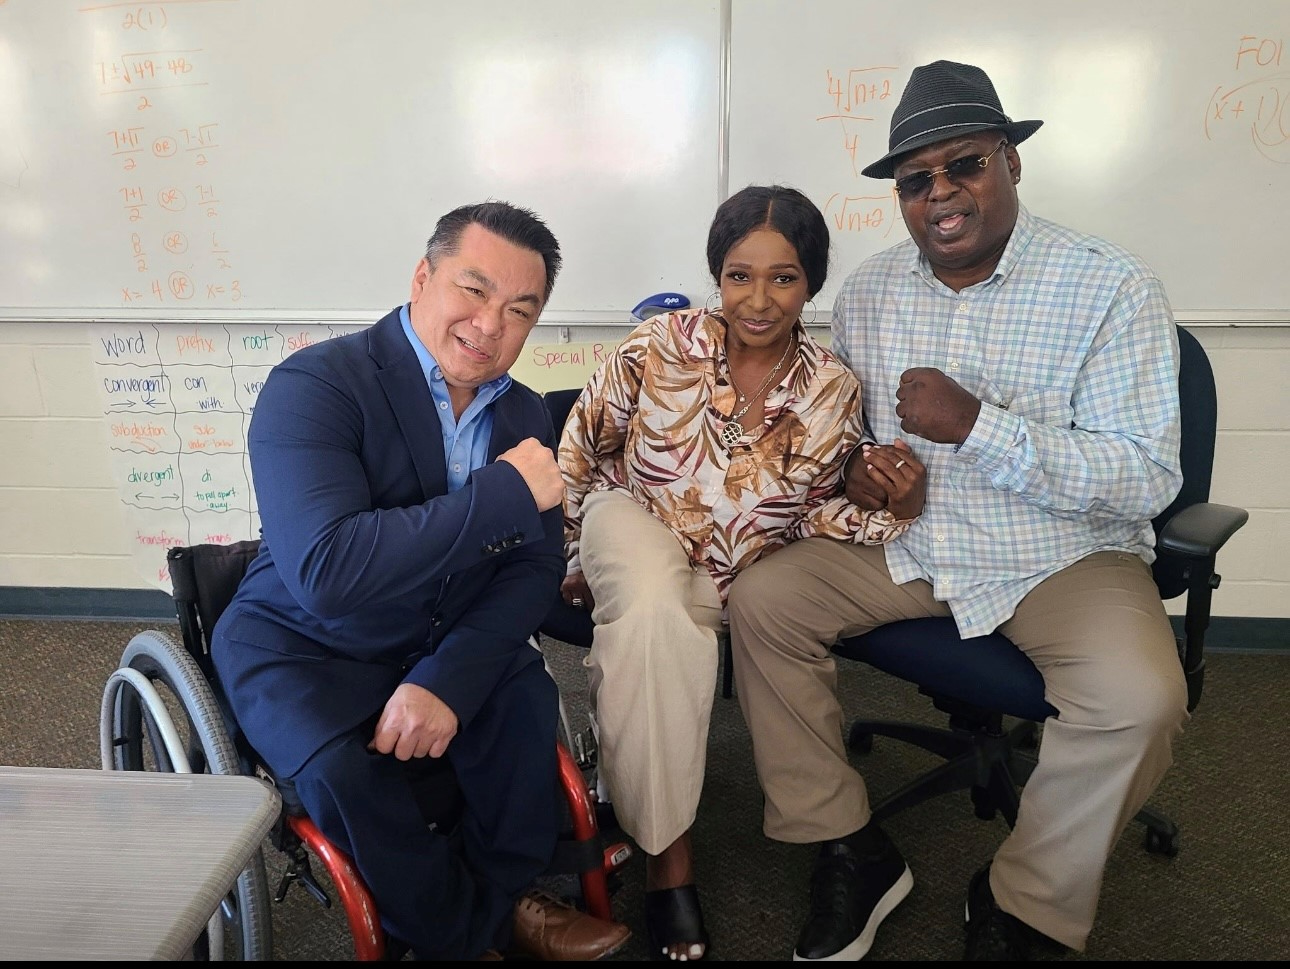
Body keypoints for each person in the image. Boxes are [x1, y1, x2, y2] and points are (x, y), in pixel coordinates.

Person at [726, 60, 1186, 961]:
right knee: (763, 600)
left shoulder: (1112, 286)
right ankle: (849, 845)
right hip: (911, 543)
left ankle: (1026, 899)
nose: (940, 192)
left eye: (964, 164)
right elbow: (850, 435)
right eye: (915, 179)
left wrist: (980, 426)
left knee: (1140, 700)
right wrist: (862, 473)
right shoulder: (869, 291)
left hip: (1062, 554)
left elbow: (1146, 476)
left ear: (1010, 161)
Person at [210, 201, 632, 961]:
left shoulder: (525, 413)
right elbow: (329, 572)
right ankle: (464, 936)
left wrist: (446, 680)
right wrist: (504, 494)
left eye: (520, 310)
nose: (490, 323)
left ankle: (509, 898)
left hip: (442, 632)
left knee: (524, 700)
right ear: (421, 278)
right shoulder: (315, 385)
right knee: (344, 772)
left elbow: (532, 569)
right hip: (308, 643)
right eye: (473, 289)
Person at [557, 185, 926, 961]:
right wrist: (572, 550)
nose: (758, 300)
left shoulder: (831, 389)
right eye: (738, 275)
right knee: (654, 605)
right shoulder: (659, 343)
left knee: (665, 633)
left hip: (734, 567)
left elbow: (816, 514)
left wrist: (892, 510)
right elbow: (582, 448)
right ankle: (669, 863)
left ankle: (632, 778)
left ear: (811, 282)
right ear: (717, 275)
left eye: (783, 277)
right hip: (634, 520)